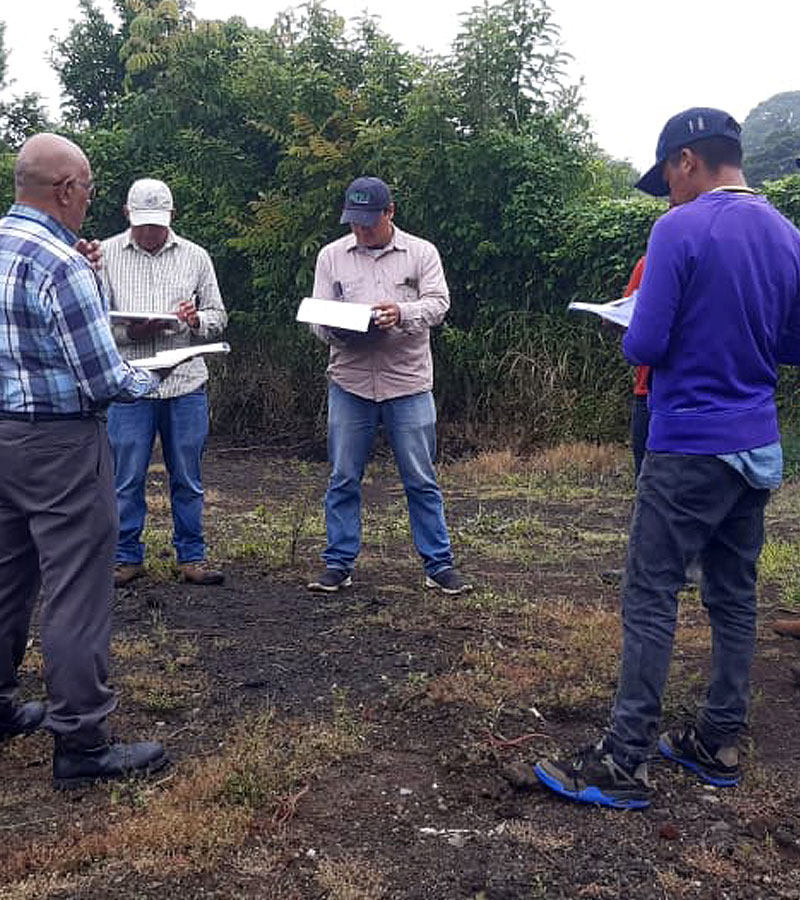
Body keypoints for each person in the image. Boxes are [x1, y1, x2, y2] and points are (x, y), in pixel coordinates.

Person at [535, 108, 800, 810]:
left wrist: (639, 323)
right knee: (734, 594)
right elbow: (793, 345)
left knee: (651, 592)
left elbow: (645, 344)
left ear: (688, 160)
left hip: (689, 442)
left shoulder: (680, 228)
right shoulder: (787, 234)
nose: (668, 196)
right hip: (756, 442)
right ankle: (718, 741)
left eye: (669, 179)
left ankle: (624, 760)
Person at [0, 133, 168, 788]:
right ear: (67, 189)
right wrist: (156, 375)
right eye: (89, 190)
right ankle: (81, 741)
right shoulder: (60, 265)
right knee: (75, 587)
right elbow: (103, 378)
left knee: (7, 575)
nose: (89, 201)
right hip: (60, 445)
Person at [307, 176, 470, 595]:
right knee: (343, 477)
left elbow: (439, 303)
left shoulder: (421, 252)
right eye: (354, 222)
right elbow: (317, 317)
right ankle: (338, 563)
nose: (360, 230)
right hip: (350, 380)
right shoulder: (331, 256)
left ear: (390, 212)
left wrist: (401, 313)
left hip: (407, 382)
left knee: (420, 477)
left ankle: (439, 565)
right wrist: (337, 328)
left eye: (368, 222)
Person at [102, 178, 228, 587]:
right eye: (142, 224)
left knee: (187, 475)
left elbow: (218, 316)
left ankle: (192, 556)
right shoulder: (105, 255)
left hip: (184, 381)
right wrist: (130, 332)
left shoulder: (196, 256)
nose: (150, 231)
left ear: (172, 216)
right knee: (126, 477)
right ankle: (125, 557)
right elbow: (95, 322)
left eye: (157, 223)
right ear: (127, 214)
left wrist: (196, 320)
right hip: (129, 384)